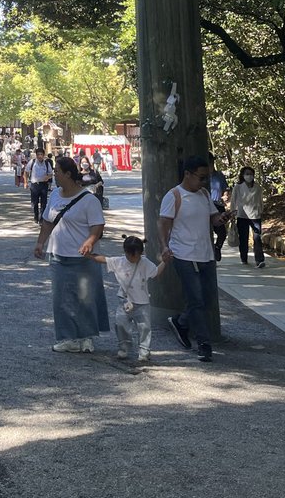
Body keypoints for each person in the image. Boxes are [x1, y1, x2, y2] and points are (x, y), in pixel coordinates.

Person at [34, 156, 109, 352]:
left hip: (83, 257)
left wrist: (89, 241)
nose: (54, 175)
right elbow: (47, 222)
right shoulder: (55, 196)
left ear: (68, 174)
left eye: (57, 172)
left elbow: (97, 225)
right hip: (59, 254)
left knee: (85, 297)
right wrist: (40, 243)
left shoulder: (89, 199)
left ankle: (86, 338)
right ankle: (68, 337)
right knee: (62, 298)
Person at [159, 155, 226, 363]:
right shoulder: (174, 195)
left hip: (205, 253)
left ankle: (180, 322)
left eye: (206, 177)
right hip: (183, 254)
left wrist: (222, 219)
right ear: (187, 174)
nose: (204, 181)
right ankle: (204, 344)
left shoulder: (204, 194)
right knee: (196, 299)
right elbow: (163, 223)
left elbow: (213, 219)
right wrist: (164, 247)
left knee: (204, 298)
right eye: (201, 177)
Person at [88, 235, 167, 363]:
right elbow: (104, 260)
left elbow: (156, 272)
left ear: (141, 253)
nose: (132, 258)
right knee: (121, 324)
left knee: (144, 327)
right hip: (124, 300)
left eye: (135, 256)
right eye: (129, 255)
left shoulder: (145, 262)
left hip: (142, 302)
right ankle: (124, 347)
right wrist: (89, 256)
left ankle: (144, 350)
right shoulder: (119, 261)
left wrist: (165, 262)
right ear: (125, 252)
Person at [231, 166, 265, 268]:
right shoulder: (238, 187)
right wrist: (233, 212)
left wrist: (261, 211)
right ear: (242, 175)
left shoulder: (257, 187)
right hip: (242, 215)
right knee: (243, 238)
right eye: (247, 174)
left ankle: (259, 260)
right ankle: (244, 258)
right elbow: (233, 200)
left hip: (255, 215)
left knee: (257, 237)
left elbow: (260, 200)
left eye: (251, 174)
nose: (249, 176)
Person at [208, 153, 229, 262]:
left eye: (211, 162)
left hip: (218, 205)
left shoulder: (219, 175)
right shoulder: (201, 177)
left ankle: (217, 248)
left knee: (222, 232)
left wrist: (225, 195)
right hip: (205, 206)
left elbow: (225, 188)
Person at [23, 148, 53, 223]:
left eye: (41, 154)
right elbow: (26, 172)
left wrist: (48, 177)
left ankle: (41, 218)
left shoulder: (46, 163)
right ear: (36, 155)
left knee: (44, 203)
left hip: (43, 185)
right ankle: (36, 215)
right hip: (34, 185)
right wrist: (25, 182)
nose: (40, 156)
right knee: (35, 202)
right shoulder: (32, 162)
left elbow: (51, 173)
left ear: (44, 155)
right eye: (38, 154)